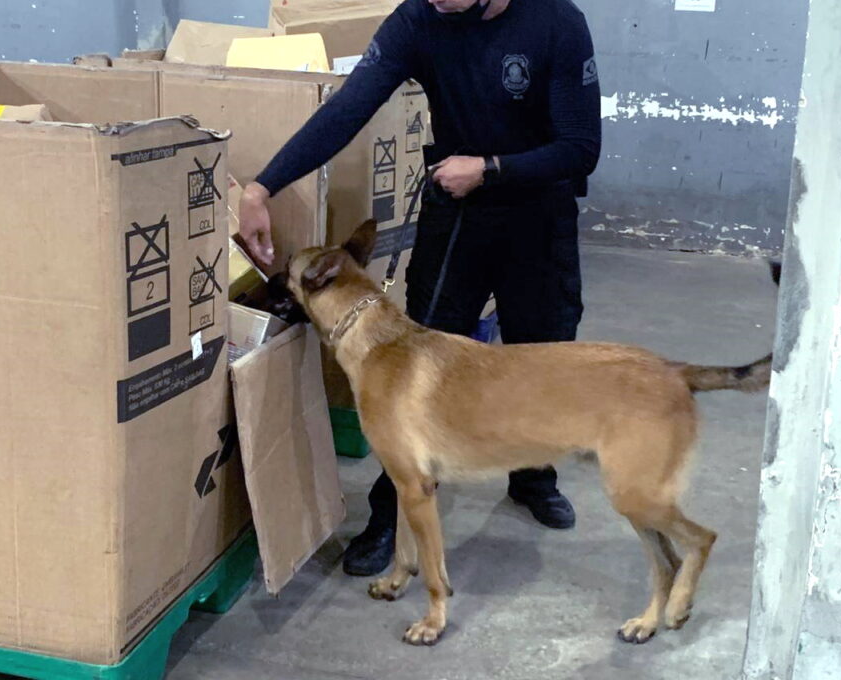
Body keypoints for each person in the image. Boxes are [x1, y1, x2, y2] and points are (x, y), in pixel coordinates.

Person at [238, 0, 602, 577]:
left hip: (539, 214)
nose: (434, 1)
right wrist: (262, 187)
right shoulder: (418, 19)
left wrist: (490, 166)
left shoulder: (556, 20)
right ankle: (388, 515)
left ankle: (533, 476)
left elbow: (581, 148)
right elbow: (350, 108)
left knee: (542, 359)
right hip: (457, 217)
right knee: (407, 380)